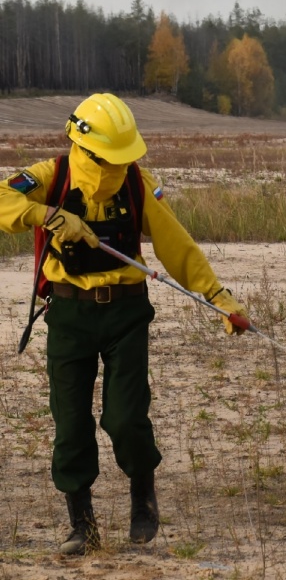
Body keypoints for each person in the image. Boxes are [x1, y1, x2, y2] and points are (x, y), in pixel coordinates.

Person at [0, 93, 249, 555]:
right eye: (107, 159)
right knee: (71, 423)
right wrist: (47, 214)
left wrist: (217, 297)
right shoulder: (50, 176)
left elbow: (178, 247)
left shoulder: (137, 184)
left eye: (122, 158)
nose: (114, 168)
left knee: (125, 417)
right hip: (69, 316)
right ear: (85, 147)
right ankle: (82, 524)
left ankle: (143, 497)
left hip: (126, 314)